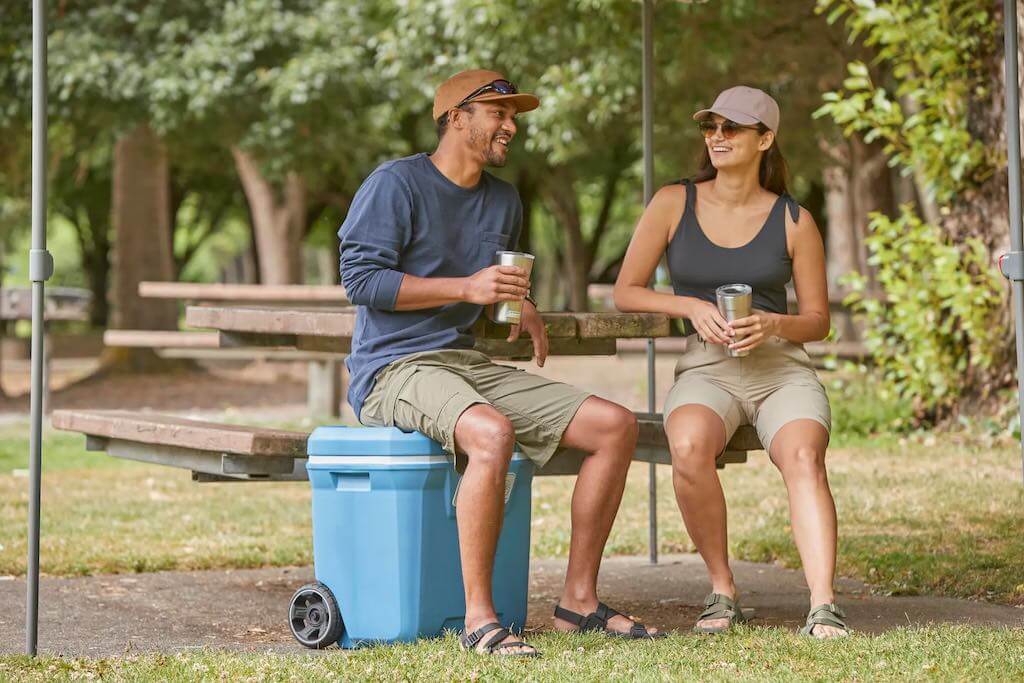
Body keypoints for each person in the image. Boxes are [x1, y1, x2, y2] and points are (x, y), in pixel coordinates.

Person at [339, 69, 661, 657]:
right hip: (393, 368)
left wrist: (522, 303)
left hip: (467, 362)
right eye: (499, 114)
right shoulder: (395, 184)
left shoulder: (503, 199)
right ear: (457, 117)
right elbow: (361, 280)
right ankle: (480, 619)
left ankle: (578, 604)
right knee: (491, 433)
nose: (511, 127)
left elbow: (492, 291)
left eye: (514, 116)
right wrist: (467, 287)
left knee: (615, 426)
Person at [613, 86, 849, 638]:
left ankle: (823, 605)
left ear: (764, 140)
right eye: (711, 127)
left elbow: (818, 321)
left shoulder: (794, 219)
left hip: (781, 369)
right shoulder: (675, 202)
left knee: (804, 457)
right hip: (705, 367)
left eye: (732, 128)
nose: (717, 137)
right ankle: (722, 590)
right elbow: (627, 291)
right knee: (688, 445)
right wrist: (689, 306)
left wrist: (774, 324)